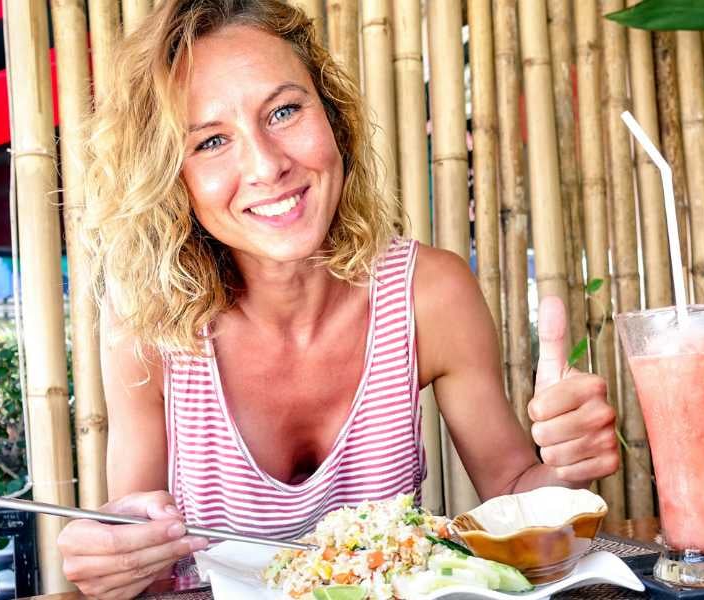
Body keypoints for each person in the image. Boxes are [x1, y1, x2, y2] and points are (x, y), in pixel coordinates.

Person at [57, 1, 620, 598]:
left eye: (284, 110)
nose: (267, 165)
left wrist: (565, 468)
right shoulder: (149, 325)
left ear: (333, 116)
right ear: (171, 176)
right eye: (212, 141)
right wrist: (112, 563)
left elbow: (515, 493)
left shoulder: (429, 295)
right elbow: (135, 549)